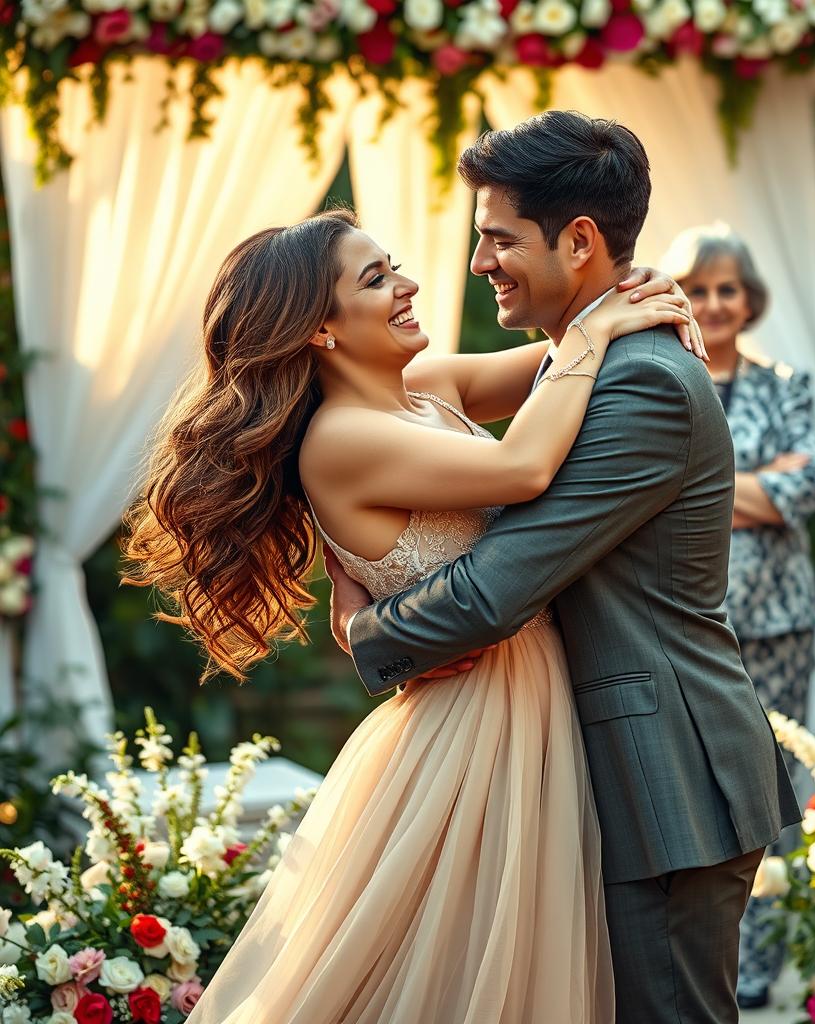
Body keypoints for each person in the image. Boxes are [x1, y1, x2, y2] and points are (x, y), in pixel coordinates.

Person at [122, 190, 696, 1021]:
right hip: (473, 726)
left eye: (393, 269)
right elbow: (525, 470)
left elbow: (550, 368)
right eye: (376, 279)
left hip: (531, 699)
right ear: (321, 327)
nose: (410, 286)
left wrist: (629, 297)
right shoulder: (344, 439)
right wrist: (598, 330)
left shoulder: (424, 389)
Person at [328, 112, 802, 1024]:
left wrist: (365, 632)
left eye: (498, 239)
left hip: (664, 774)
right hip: (606, 764)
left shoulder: (639, 380)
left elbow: (500, 586)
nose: (477, 265)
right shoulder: (584, 359)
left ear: (578, 241)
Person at [660, 223, 815, 1009]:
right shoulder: (659, 377)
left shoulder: (785, 381)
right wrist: (760, 483)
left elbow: (811, 486)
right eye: (698, 288)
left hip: (781, 622)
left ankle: (759, 958)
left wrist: (705, 486)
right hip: (683, 621)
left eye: (727, 289)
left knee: (771, 791)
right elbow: (651, 491)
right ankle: (698, 955)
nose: (713, 303)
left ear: (749, 299)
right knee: (696, 789)